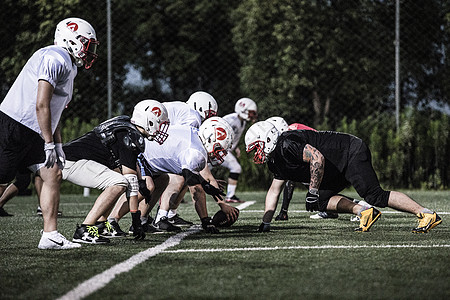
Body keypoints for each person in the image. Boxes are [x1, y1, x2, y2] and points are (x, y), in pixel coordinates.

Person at [0, 17, 99, 249]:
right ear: (72, 39)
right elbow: (41, 104)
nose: (89, 51)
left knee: (52, 174)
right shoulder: (54, 57)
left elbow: (54, 112)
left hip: (35, 129)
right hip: (17, 126)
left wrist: (59, 144)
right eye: (87, 44)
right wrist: (48, 143)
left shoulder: (69, 65)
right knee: (2, 182)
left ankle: (50, 235)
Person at [245, 121, 442, 233]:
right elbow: (273, 190)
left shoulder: (287, 143)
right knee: (321, 201)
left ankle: (426, 214)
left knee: (374, 195)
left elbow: (317, 158)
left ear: (268, 139)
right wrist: (266, 223)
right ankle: (365, 213)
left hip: (349, 151)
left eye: (256, 147)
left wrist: (312, 190)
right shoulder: (274, 161)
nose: (256, 154)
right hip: (335, 164)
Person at [60, 99, 169, 244]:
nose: (161, 128)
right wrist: (136, 219)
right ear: (149, 121)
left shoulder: (126, 127)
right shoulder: (130, 136)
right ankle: (85, 229)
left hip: (70, 157)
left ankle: (101, 224)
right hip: (71, 162)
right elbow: (131, 182)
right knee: (119, 182)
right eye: (160, 123)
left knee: (118, 178)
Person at [109, 117, 238, 234]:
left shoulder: (195, 135)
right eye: (218, 149)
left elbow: (189, 176)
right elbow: (196, 189)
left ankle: (142, 220)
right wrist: (205, 221)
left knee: (162, 180)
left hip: (147, 156)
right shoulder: (196, 152)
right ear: (209, 139)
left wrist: (204, 183)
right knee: (147, 187)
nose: (219, 154)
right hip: (139, 154)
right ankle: (112, 221)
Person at [265, 118, 339, 221]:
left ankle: (360, 206)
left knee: (318, 190)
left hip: (320, 159)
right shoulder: (290, 134)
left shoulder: (290, 134)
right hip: (315, 158)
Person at [220, 98, 258, 203]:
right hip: (218, 150)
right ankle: (230, 196)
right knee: (236, 167)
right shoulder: (231, 120)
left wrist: (235, 147)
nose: (251, 115)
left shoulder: (241, 121)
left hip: (223, 150)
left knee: (198, 171)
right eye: (250, 112)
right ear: (243, 110)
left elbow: (232, 136)